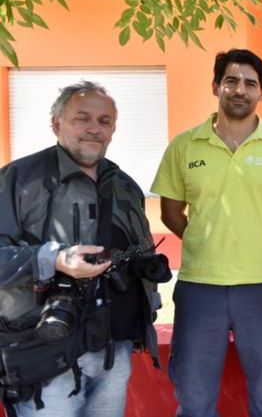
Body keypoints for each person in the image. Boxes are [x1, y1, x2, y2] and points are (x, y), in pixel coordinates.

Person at [151, 48, 262, 417]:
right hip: (199, 288)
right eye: (231, 81)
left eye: (250, 83)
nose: (240, 89)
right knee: (193, 396)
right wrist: (204, 240)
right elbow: (170, 211)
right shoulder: (184, 146)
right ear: (216, 86)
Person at [0, 81, 164, 416]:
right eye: (82, 118)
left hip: (111, 353)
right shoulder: (17, 180)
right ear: (57, 123)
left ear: (113, 129)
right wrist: (53, 259)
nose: (94, 128)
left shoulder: (125, 185)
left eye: (104, 121)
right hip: (42, 356)